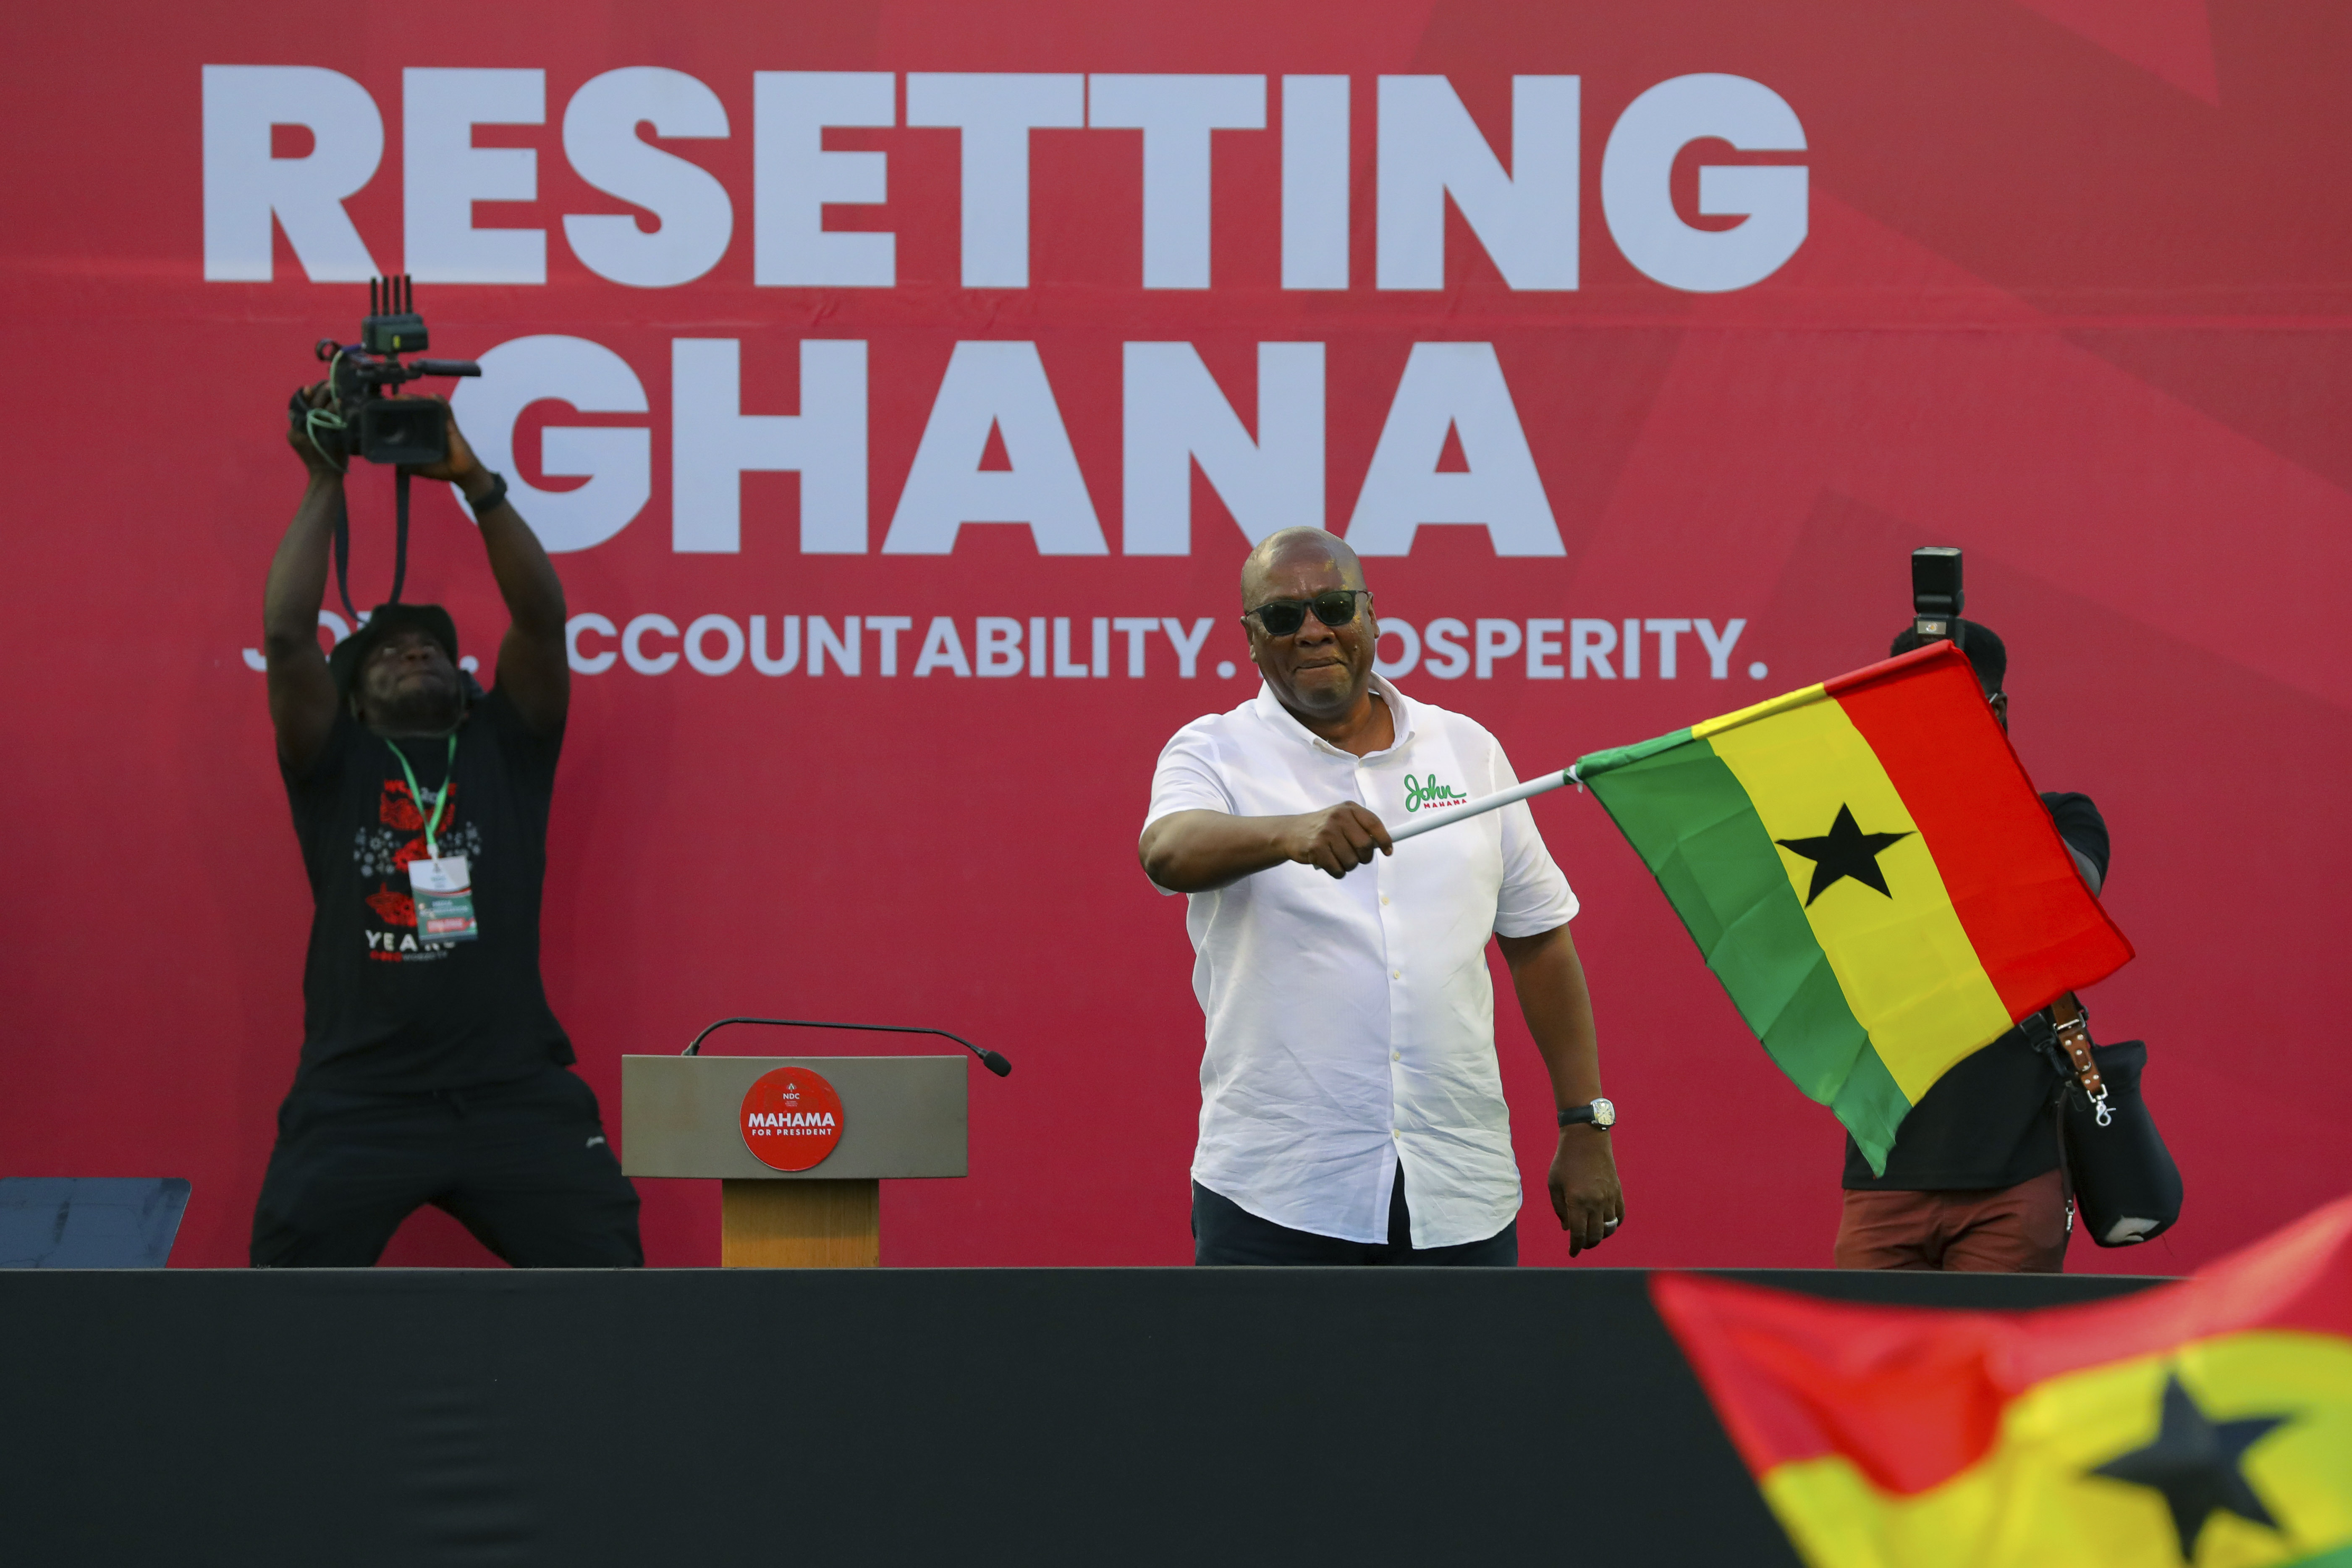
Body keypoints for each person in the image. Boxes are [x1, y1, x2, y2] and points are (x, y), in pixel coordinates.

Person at [1138, 526, 1624, 1265]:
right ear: (1248, 639)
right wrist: (1289, 834)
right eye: (1280, 617)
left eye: (1333, 605)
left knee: (1462, 1388)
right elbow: (1167, 851)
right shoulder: (1212, 751)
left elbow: (1538, 941)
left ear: (1370, 616)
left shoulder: (1465, 748)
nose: (1311, 630)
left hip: (1458, 1185)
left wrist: (1584, 1122)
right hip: (1279, 1191)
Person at [250, 384, 642, 1267]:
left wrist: (475, 481)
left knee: (618, 1297)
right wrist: (324, 480)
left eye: (432, 645)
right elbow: (285, 637)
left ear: (465, 682)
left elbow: (542, 621)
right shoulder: (332, 761)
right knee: (274, 1315)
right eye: (386, 652)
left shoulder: (508, 746)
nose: (414, 649)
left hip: (511, 1093)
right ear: (350, 700)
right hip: (357, 1098)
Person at [1834, 620, 2109, 1272]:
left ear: (1997, 710)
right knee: (1874, 1375)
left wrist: (1969, 769)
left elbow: (2070, 900)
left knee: (1994, 1376)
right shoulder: (1848, 838)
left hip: (2013, 1177)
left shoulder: (2061, 815)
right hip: (1883, 1174)